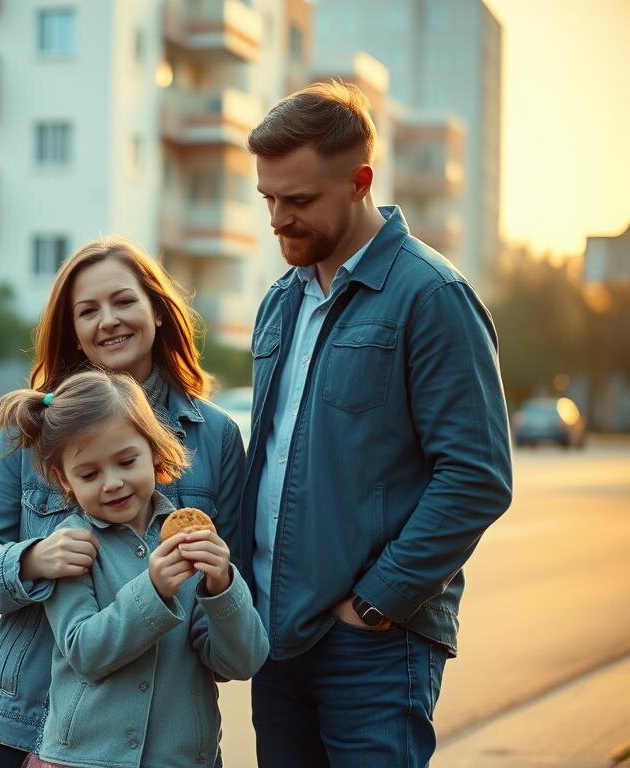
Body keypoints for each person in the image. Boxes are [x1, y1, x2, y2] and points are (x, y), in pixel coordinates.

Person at [241, 81, 513, 766]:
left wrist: (374, 605)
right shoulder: (279, 302)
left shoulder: (432, 296)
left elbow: (477, 478)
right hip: (276, 643)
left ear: (360, 181)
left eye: (298, 200)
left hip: (373, 647)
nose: (278, 218)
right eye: (268, 197)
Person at [0, 237, 247, 768]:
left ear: (157, 309)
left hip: (169, 734)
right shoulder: (33, 430)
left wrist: (221, 594)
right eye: (87, 311)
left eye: (123, 301)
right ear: (75, 332)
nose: (107, 320)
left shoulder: (217, 436)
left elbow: (230, 599)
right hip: (31, 715)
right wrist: (31, 560)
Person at [0, 370, 268, 768]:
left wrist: (222, 585)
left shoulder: (189, 539)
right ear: (65, 480)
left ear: (154, 451)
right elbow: (86, 652)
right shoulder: (72, 547)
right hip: (87, 758)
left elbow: (242, 662)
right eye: (89, 474)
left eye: (126, 461)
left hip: (184, 758)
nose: (112, 483)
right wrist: (153, 591)